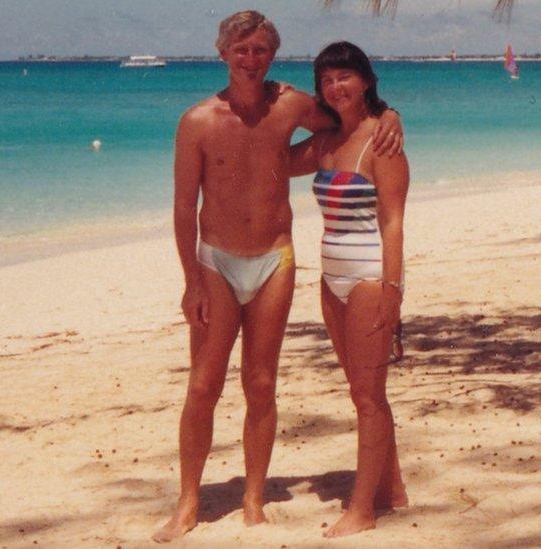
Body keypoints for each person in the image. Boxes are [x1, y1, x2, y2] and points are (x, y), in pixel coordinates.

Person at [153, 12, 403, 543]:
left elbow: (347, 119)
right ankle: (188, 499)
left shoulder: (291, 104)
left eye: (261, 49)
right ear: (223, 52)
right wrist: (191, 281)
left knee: (262, 382)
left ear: (273, 54)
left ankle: (252, 499)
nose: (251, 58)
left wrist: (391, 116)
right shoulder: (196, 121)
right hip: (215, 261)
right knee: (203, 384)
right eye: (241, 49)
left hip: (276, 258)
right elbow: (181, 207)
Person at [288, 41, 409, 538]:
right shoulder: (326, 143)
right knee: (363, 391)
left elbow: (394, 222)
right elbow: (270, 153)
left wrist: (393, 290)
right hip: (329, 276)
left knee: (368, 396)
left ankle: (362, 510)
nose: (336, 87)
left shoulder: (382, 141)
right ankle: (394, 491)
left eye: (344, 77)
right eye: (326, 80)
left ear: (365, 79)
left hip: (367, 277)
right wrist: (293, 107)